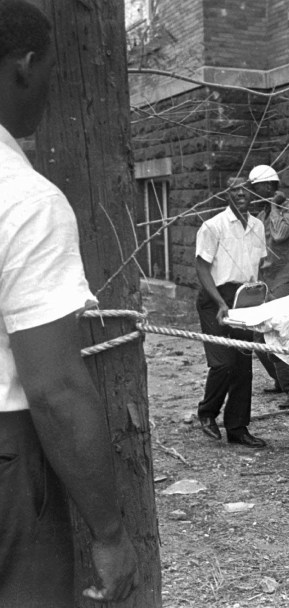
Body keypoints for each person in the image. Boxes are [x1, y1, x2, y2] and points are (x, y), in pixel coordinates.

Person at [0, 1, 139, 605]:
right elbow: (54, 387)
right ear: (25, 67)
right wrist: (109, 531)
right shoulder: (24, 198)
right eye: (53, 72)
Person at [195, 177, 268, 448]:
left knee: (242, 366)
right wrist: (220, 303)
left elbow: (257, 266)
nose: (240, 195)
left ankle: (237, 427)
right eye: (235, 191)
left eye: (245, 190)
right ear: (227, 194)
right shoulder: (212, 226)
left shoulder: (258, 225)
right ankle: (207, 413)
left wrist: (260, 299)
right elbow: (202, 268)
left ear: (253, 194)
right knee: (222, 363)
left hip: (244, 298)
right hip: (215, 298)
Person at [247, 164, 289, 410]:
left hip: (286, 279)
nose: (254, 193)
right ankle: (281, 381)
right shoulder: (261, 215)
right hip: (265, 279)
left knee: (278, 335)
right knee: (257, 334)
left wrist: (275, 206)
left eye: (257, 188)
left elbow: (281, 234)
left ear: (270, 186)